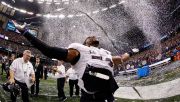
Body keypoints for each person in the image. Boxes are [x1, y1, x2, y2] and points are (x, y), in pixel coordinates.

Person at [11, 21, 137, 102]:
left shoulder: (106, 53)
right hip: (90, 96)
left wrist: (132, 52)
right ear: (85, 43)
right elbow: (49, 50)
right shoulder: (79, 51)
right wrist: (25, 32)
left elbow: (121, 59)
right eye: (89, 37)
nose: (92, 36)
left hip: (106, 94)